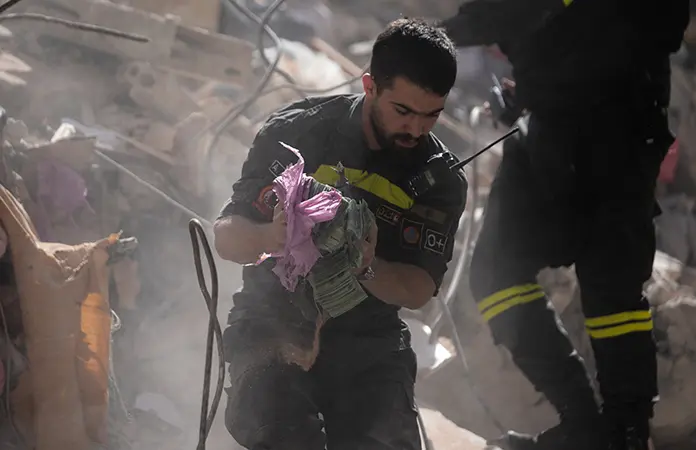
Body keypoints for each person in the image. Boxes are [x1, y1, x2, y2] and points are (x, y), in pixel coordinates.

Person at [438, 1, 690, 450]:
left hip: (618, 130)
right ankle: (585, 425)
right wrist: (534, 84)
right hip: (552, 122)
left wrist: (438, 34)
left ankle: (624, 432)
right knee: (497, 273)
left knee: (610, 287)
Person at [213, 18, 467, 450]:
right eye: (403, 111)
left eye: (432, 115)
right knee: (288, 437)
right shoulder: (297, 132)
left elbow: (418, 289)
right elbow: (225, 237)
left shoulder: (440, 180)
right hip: (272, 321)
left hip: (369, 341)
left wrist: (366, 266)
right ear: (370, 86)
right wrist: (271, 237)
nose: (416, 129)